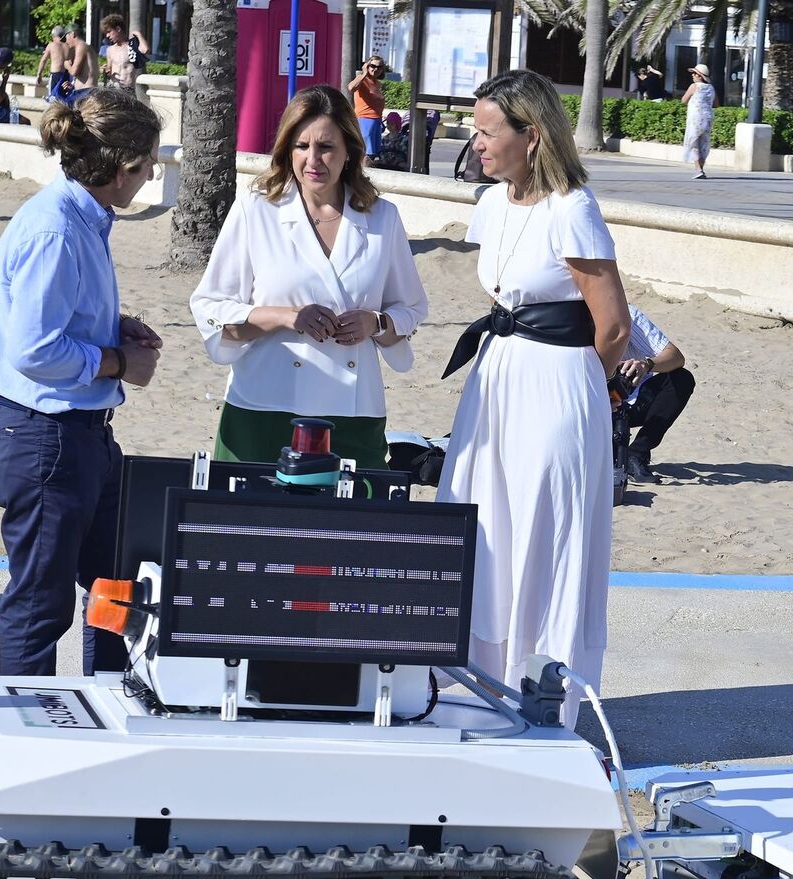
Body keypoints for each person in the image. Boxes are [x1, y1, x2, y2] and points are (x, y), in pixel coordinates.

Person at [438, 69, 631, 728]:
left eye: (489, 132)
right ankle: (477, 690)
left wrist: (579, 392)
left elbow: (614, 328)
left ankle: (548, 698)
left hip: (557, 392)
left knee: (546, 541)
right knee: (483, 529)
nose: (477, 143)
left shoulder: (572, 208)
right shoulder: (491, 202)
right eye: (476, 129)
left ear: (533, 135)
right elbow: (504, 299)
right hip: (495, 385)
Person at [0, 88, 164, 676]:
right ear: (119, 170)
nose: (151, 174)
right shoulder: (56, 230)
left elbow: (54, 320)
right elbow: (33, 348)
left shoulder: (81, 219)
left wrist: (113, 326)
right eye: (145, 165)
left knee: (116, 581)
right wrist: (116, 361)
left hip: (76, 436)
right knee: (42, 603)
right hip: (46, 438)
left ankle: (109, 699)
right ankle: (25, 739)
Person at [190, 84, 429, 466]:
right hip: (263, 406)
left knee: (349, 526)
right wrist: (286, 317)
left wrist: (376, 322)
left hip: (354, 414)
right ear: (287, 148)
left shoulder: (383, 218)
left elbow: (412, 308)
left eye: (326, 146)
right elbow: (211, 308)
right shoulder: (256, 210)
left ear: (349, 150)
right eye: (301, 146)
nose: (313, 159)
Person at [618, 304, 694, 484]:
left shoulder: (627, 314)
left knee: (682, 379)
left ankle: (637, 453)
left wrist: (647, 364)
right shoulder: (567, 317)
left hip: (634, 398)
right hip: (593, 403)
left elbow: (676, 357)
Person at [348, 56, 387, 161]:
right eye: (373, 66)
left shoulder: (378, 84)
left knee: (374, 155)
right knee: (366, 154)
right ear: (367, 66)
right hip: (365, 120)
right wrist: (364, 73)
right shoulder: (362, 80)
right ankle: (361, 175)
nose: (376, 69)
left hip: (377, 121)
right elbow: (351, 88)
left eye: (379, 67)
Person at [680, 64, 715, 180]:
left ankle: (698, 170)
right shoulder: (711, 88)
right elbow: (717, 104)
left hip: (695, 118)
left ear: (700, 76)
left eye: (695, 73)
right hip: (708, 118)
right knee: (704, 143)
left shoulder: (694, 86)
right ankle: (701, 169)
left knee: (693, 142)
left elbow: (683, 100)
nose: (693, 75)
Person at [99, 14, 147, 92]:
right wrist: (104, 71)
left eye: (109, 32)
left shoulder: (132, 47)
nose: (107, 35)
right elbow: (109, 70)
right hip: (113, 89)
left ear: (118, 29)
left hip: (128, 90)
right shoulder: (110, 50)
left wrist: (139, 35)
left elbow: (145, 50)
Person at [36, 26, 71, 103]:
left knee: (53, 98)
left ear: (53, 35)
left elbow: (43, 60)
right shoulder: (68, 46)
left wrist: (39, 74)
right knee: (64, 98)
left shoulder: (51, 45)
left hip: (56, 74)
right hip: (66, 75)